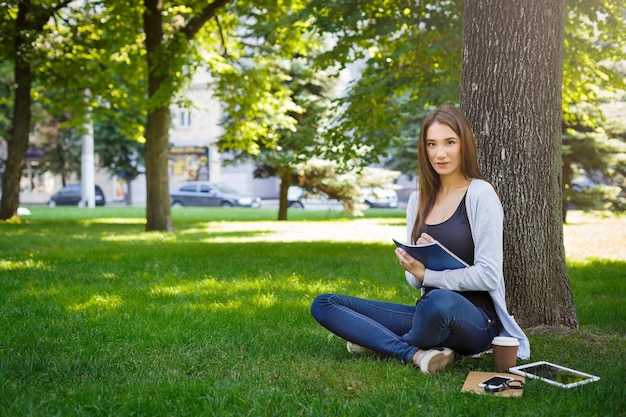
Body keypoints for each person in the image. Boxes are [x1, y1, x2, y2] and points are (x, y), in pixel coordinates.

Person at [310, 105, 530, 375]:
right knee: (324, 303)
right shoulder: (418, 200)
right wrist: (416, 266)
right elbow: (416, 281)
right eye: (432, 144)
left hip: (476, 321)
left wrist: (429, 275)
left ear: (464, 144)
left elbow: (489, 276)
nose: (440, 153)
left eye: (450, 142)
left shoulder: (480, 194)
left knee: (440, 301)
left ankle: (380, 343)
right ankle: (416, 353)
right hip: (426, 313)